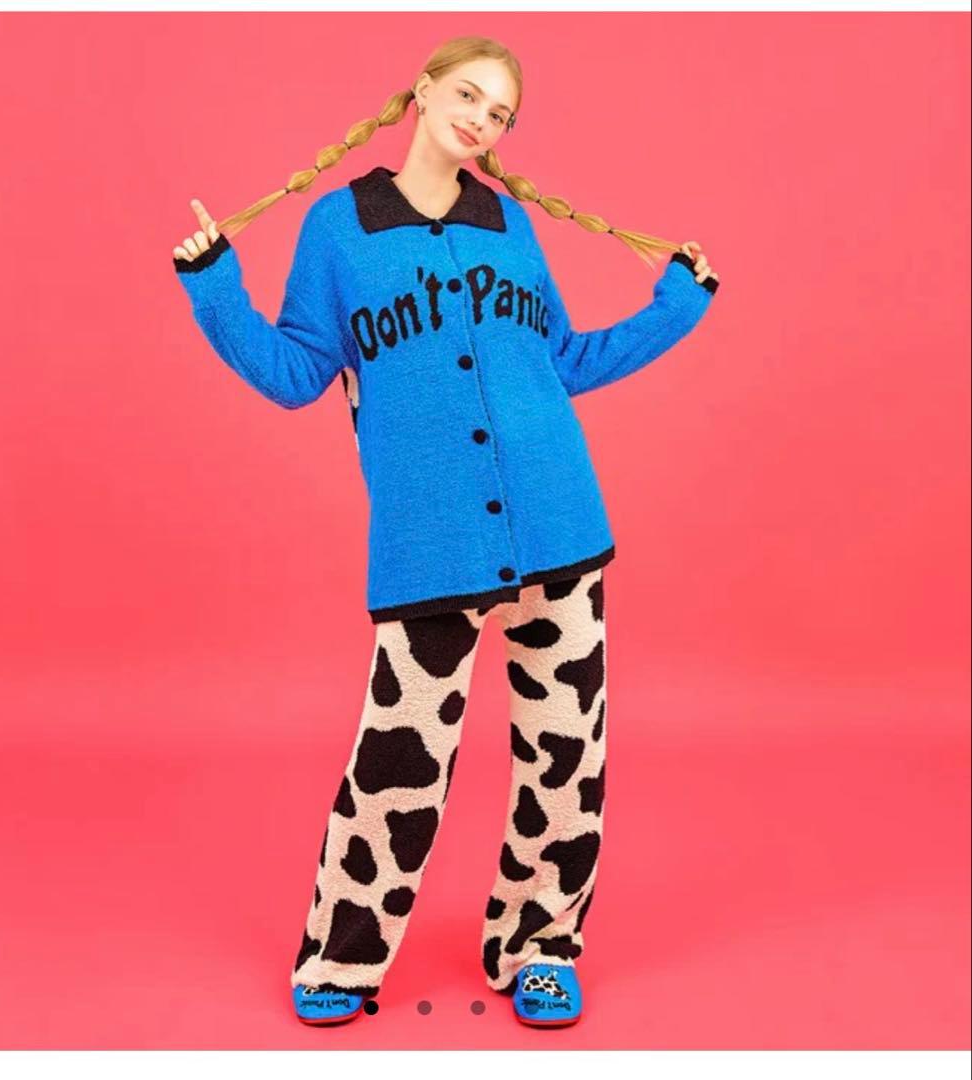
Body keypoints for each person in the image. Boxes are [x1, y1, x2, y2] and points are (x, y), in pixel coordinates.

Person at [171, 35, 720, 1028]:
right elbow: (294, 373)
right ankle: (343, 957)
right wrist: (215, 288)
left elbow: (564, 361)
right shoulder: (340, 229)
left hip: (560, 526)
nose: (479, 119)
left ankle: (542, 946)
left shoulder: (509, 223)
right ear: (422, 93)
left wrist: (675, 308)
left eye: (499, 112)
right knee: (397, 759)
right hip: (430, 547)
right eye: (468, 95)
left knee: (566, 755)